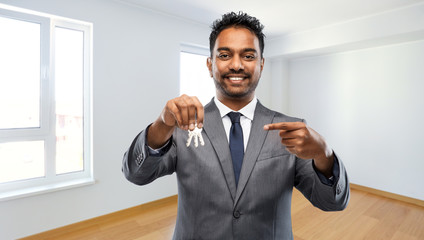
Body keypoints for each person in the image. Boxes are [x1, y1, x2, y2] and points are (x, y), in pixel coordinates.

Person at [122, 11, 349, 240]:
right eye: (224, 55)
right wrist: (162, 123)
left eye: (248, 56)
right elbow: (136, 174)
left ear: (261, 64)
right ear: (210, 65)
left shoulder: (291, 130)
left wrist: (324, 153)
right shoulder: (182, 125)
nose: (237, 65)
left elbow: (332, 202)